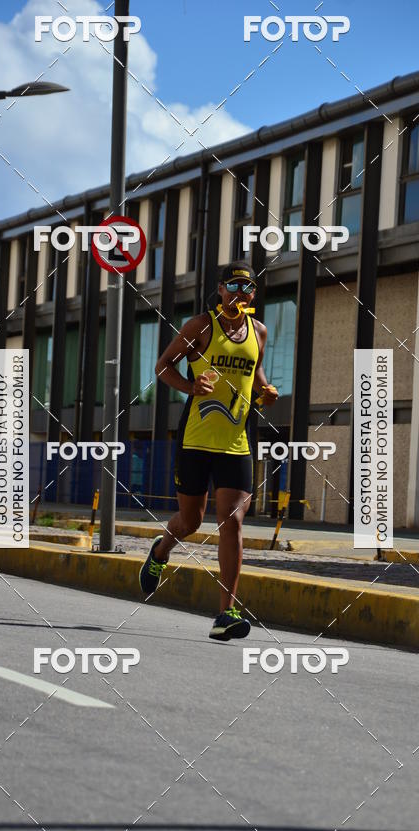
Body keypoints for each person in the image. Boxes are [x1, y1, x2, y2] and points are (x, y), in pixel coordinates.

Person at [139, 262, 278, 640]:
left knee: (232, 520)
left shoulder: (259, 332)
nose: (241, 292)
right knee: (191, 522)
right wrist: (190, 386)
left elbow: (255, 372)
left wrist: (265, 389)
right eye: (234, 285)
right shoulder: (199, 326)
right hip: (196, 439)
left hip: (237, 440)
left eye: (248, 288)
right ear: (220, 289)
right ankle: (161, 551)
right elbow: (162, 366)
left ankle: (226, 614)